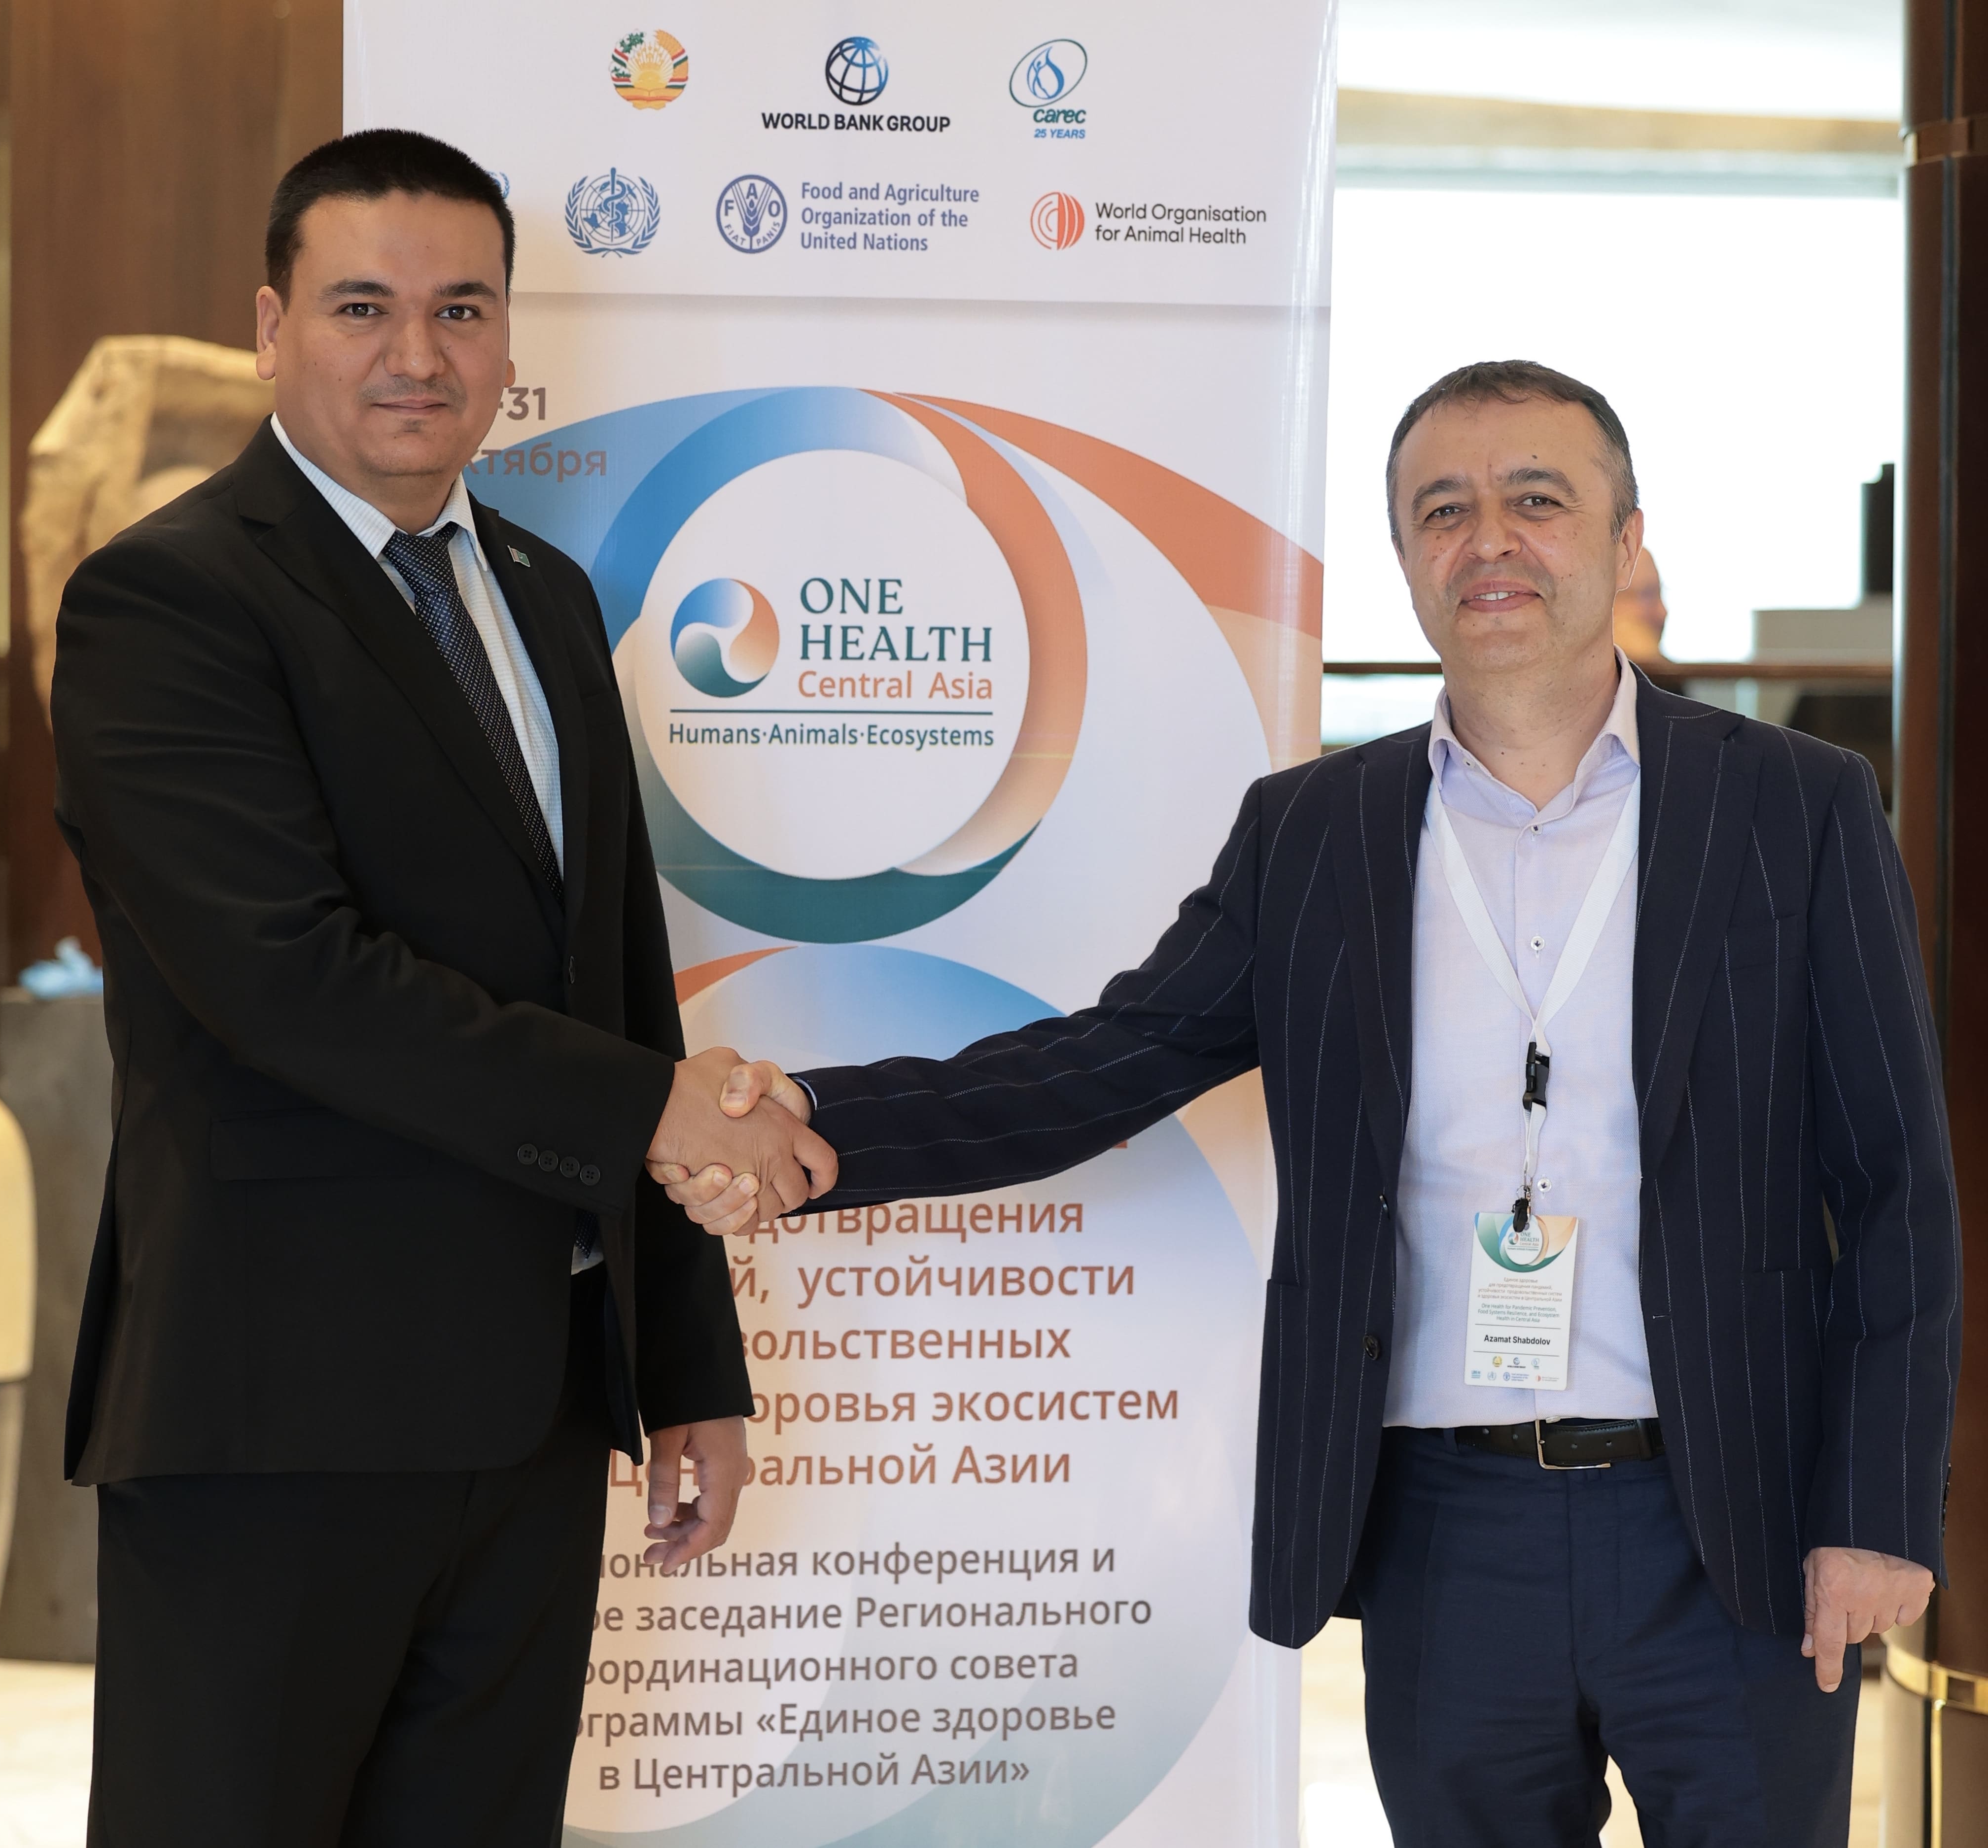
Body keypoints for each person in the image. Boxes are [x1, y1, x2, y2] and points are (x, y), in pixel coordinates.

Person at [656, 361, 1960, 1847]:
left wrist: (1875, 1515)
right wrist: (810, 1118)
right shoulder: (1316, 832)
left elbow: (1897, 1187)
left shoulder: (1796, 805)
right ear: (1405, 557)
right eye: (1443, 511)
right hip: (1445, 1537)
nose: (1490, 540)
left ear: (1625, 539)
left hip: (1735, 1521)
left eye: (1538, 499)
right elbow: (1105, 1062)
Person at [51, 129, 832, 1848]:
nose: (417, 354)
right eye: (362, 307)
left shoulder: (547, 598)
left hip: (534, 1409)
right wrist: (656, 1113)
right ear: (271, 328)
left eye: (461, 309)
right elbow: (289, 979)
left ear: (505, 335)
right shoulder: (167, 599)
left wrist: (687, 1358)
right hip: (278, 1414)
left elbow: (623, 987)